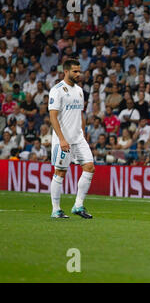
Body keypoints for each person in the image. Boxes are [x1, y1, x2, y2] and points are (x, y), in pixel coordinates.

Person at [48, 59, 95, 219]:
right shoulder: (57, 90)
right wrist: (61, 139)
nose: (78, 74)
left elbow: (80, 115)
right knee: (60, 172)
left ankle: (78, 205)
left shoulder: (80, 91)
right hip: (63, 139)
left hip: (78, 138)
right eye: (75, 71)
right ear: (66, 71)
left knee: (89, 167)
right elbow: (53, 117)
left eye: (79, 71)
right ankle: (56, 209)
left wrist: (83, 133)